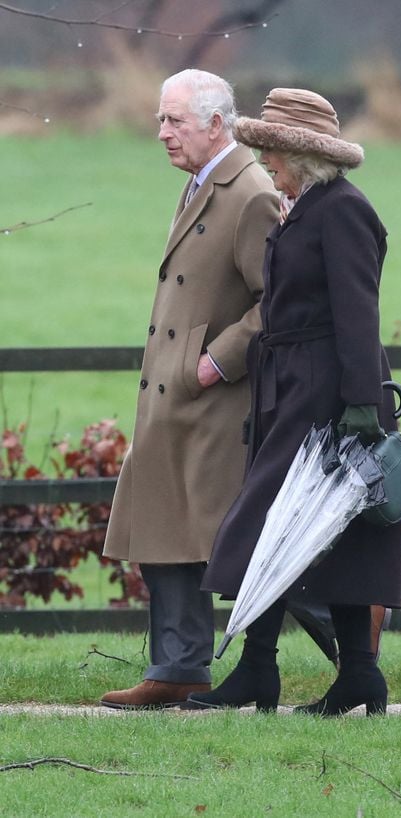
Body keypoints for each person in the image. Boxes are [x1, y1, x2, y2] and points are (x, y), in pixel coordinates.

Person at [183, 88, 401, 717]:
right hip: (291, 388)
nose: (264, 161)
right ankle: (316, 673)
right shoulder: (304, 208)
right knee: (299, 528)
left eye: (272, 151)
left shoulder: (343, 212)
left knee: (294, 526)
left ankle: (298, 672)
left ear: (301, 155)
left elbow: (359, 316)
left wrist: (362, 408)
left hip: (330, 395)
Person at [99, 69, 279, 709]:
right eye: (159, 119)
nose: (162, 133)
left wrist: (214, 364)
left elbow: (275, 302)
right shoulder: (201, 183)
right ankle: (177, 670)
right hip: (171, 401)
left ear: (215, 123)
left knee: (220, 539)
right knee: (164, 531)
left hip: (211, 403)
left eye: (174, 120)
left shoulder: (251, 191)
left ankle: (352, 633)